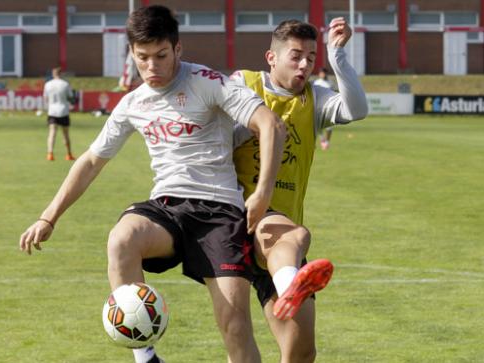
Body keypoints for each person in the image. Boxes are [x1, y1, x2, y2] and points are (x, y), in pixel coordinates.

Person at [19, 5, 285, 363]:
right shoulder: (133, 103)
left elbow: (269, 125)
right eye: (142, 57)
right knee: (121, 240)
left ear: (177, 49)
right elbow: (91, 161)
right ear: (131, 54)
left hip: (219, 212)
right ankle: (145, 356)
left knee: (234, 326)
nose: (152, 67)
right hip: (167, 209)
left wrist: (262, 193)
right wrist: (48, 217)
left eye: (161, 56)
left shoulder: (209, 82)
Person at [231, 18, 367, 362]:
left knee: (302, 350)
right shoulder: (243, 85)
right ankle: (290, 281)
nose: (304, 64)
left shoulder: (313, 98)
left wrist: (338, 56)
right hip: (235, 222)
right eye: (295, 56)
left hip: (282, 239)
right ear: (271, 57)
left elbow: (356, 109)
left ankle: (290, 281)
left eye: (310, 56)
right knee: (238, 337)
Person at [43, 67, 75, 161]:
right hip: (63, 111)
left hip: (52, 111)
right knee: (65, 134)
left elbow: (45, 98)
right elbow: (71, 97)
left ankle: (50, 154)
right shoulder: (65, 84)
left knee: (52, 133)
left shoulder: (48, 84)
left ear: (53, 74)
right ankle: (69, 154)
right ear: (61, 74)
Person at [313, 67, 335, 150]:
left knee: (329, 127)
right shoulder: (316, 83)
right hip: (318, 107)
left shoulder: (330, 83)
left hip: (328, 107)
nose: (323, 74)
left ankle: (327, 142)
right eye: (321, 73)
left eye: (324, 73)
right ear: (319, 74)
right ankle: (322, 139)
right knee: (317, 125)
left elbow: (334, 93)